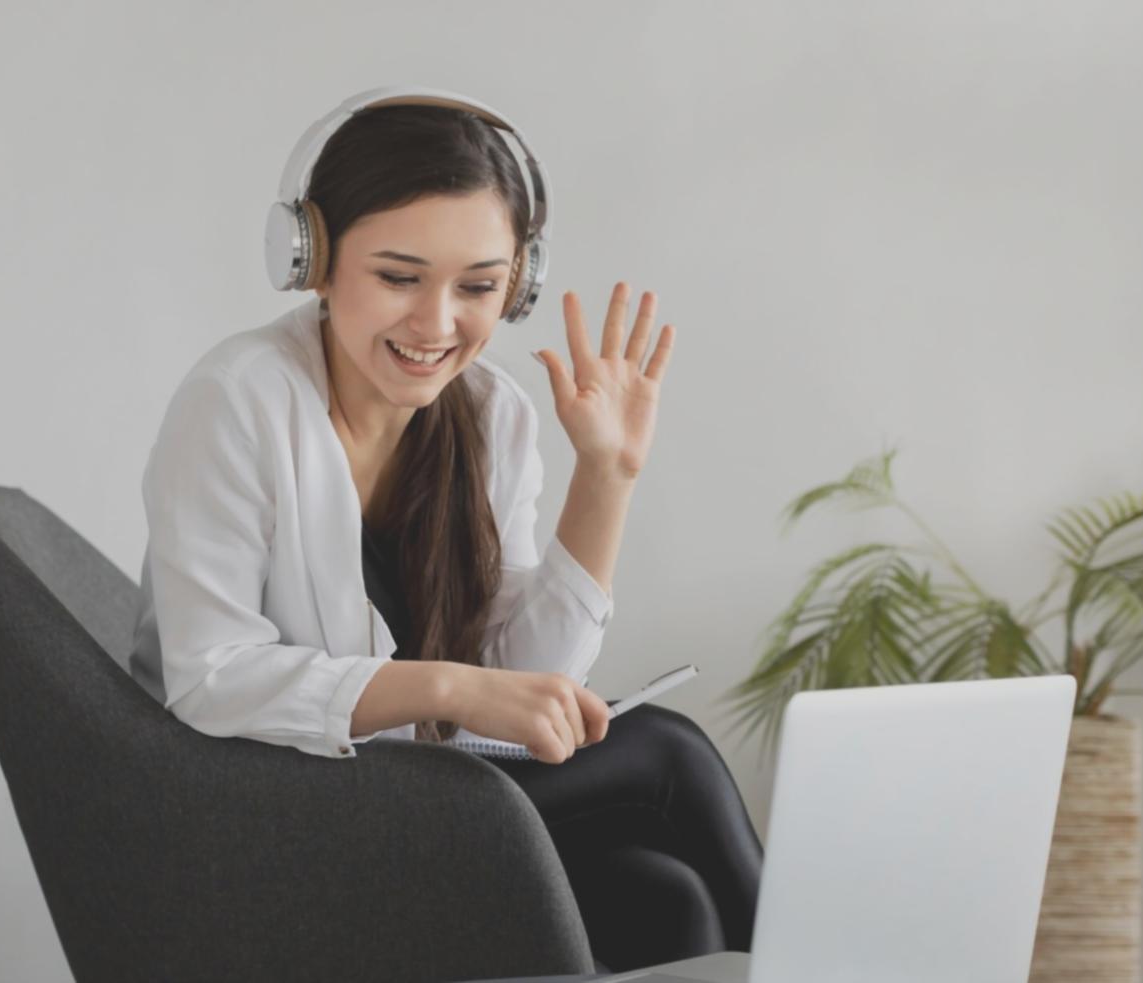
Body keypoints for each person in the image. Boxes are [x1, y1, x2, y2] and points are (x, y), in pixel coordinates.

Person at [129, 99, 761, 969]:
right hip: (269, 821)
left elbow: (532, 675)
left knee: (663, 895)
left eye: (477, 286)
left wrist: (606, 475)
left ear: (518, 282)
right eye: (398, 276)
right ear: (310, 259)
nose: (437, 325)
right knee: (669, 758)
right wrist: (450, 691)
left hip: (416, 799)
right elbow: (210, 677)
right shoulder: (237, 400)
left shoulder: (489, 412)